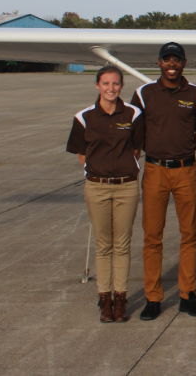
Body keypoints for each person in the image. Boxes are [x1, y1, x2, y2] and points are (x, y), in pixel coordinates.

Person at [130, 42, 196, 320]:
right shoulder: (143, 93)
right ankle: (153, 298)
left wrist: (183, 147)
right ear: (159, 63)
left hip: (186, 171)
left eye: (177, 59)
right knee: (152, 237)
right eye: (167, 59)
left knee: (190, 235)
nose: (172, 64)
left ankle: (188, 295)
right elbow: (135, 132)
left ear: (185, 63)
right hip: (154, 171)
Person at [66, 66, 145, 323]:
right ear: (97, 85)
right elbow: (81, 152)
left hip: (127, 186)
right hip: (97, 187)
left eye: (116, 84)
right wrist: (97, 170)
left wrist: (120, 167)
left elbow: (136, 149)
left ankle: (120, 299)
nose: (111, 88)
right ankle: (104, 300)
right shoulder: (84, 117)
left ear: (122, 86)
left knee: (122, 244)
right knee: (103, 245)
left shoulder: (134, 114)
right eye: (106, 83)